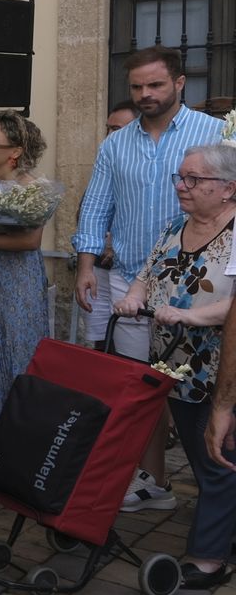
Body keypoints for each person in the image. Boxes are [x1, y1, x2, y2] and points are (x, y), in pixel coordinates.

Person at [74, 46, 222, 510]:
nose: (145, 94)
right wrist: (84, 265)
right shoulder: (115, 144)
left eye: (155, 85)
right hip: (132, 285)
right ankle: (154, 482)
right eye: (137, 87)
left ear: (180, 83)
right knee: (145, 390)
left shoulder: (216, 133)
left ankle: (219, 494)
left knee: (213, 392)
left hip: (207, 284)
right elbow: (97, 206)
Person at [113, 142, 236, 589]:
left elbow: (233, 306)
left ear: (228, 189)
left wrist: (188, 315)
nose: (182, 187)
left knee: (218, 460)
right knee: (203, 457)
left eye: (194, 179)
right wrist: (133, 296)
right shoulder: (174, 226)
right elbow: (148, 273)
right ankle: (225, 533)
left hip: (220, 369)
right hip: (173, 365)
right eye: (180, 178)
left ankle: (208, 559)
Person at [0, 111, 54, 427]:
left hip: (18, 281)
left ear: (15, 151)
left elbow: (31, 241)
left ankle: (10, 439)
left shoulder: (36, 189)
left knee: (13, 352)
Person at [81, 100, 141, 344]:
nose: (109, 136)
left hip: (131, 272)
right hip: (100, 268)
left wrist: (116, 239)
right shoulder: (107, 161)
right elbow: (89, 210)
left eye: (116, 129)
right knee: (100, 342)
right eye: (108, 128)